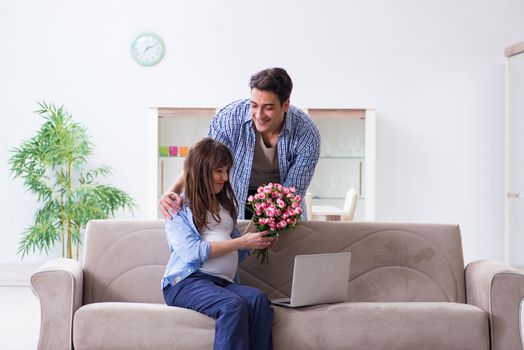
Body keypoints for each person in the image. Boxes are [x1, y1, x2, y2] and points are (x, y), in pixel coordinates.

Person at [160, 67, 320, 219]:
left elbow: (292, 191)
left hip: (280, 202)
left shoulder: (306, 132)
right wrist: (173, 189)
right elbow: (203, 162)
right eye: (254, 105)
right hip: (235, 197)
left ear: (285, 105)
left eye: (268, 108)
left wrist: (268, 224)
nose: (259, 114)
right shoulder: (230, 118)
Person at [162, 138, 276, 350]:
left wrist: (256, 243)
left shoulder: (224, 205)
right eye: (219, 171)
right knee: (232, 305)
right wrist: (242, 241)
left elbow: (235, 250)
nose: (225, 177)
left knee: (259, 300)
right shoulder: (177, 206)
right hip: (186, 282)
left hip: (222, 282)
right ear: (202, 171)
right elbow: (192, 253)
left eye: (226, 171)